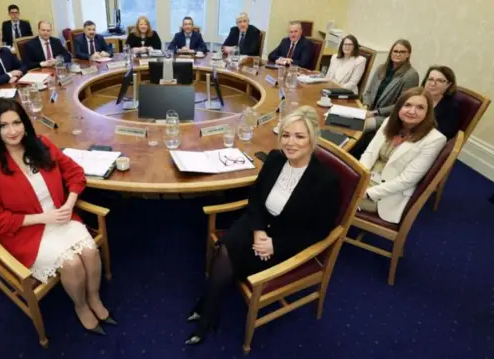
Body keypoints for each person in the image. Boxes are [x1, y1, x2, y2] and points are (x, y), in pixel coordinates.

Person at [185, 106, 341, 345]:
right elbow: (256, 197)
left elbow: (318, 232)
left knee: (228, 254)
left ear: (313, 139)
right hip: (259, 223)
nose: (290, 143)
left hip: (286, 239)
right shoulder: (277, 158)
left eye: (299, 136)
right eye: (286, 135)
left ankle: (206, 313)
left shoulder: (326, 181)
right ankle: (210, 310)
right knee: (225, 249)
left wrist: (275, 246)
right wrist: (258, 230)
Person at [0, 99, 115, 335]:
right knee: (71, 264)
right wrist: (43, 218)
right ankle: (80, 306)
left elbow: (76, 174)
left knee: (90, 252)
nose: (12, 131)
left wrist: (69, 205)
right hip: (26, 230)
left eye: (17, 122)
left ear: (25, 123)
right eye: (3, 125)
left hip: (61, 215)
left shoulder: (41, 145)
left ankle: (93, 296)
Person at [358, 87, 446, 223]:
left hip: (387, 195)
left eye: (420, 107)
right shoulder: (389, 122)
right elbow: (369, 154)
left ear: (428, 112)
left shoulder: (434, 139)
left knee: (334, 198)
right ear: (399, 107)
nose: (412, 111)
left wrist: (368, 193)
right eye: (408, 105)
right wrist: (358, 178)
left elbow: (406, 180)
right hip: (368, 177)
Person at [351, 39, 419, 158]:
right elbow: (368, 92)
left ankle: (350, 157)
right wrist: (366, 106)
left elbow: (402, 104)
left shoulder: (411, 75)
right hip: (369, 110)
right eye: (395, 51)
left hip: (388, 117)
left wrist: (375, 112)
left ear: (408, 54)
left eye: (402, 52)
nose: (397, 54)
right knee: (344, 120)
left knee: (357, 125)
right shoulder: (381, 68)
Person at [422, 65, 460, 139]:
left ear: (448, 85)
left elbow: (441, 137)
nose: (432, 84)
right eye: (430, 79)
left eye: (439, 81)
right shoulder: (416, 96)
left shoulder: (451, 108)